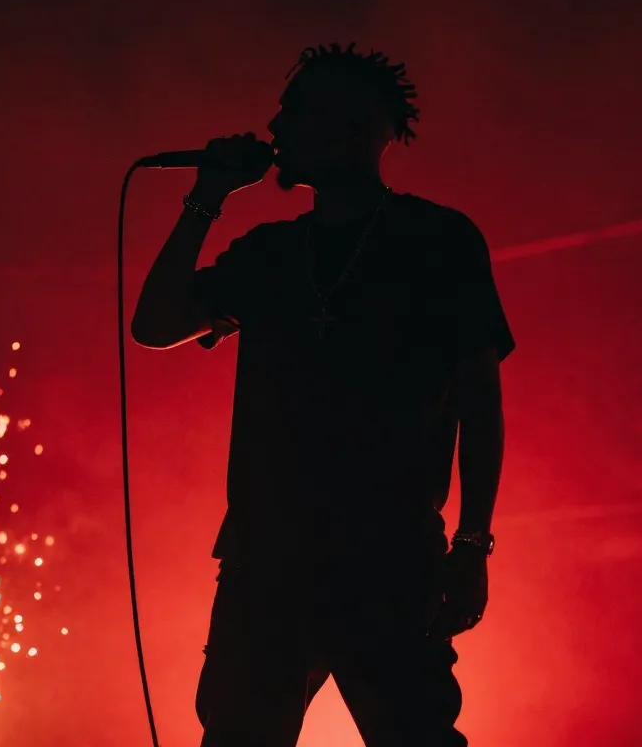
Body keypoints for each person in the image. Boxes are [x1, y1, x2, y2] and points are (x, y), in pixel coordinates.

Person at [132, 42, 514, 747]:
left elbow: (481, 404)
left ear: (355, 128)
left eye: (297, 110)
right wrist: (207, 197)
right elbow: (154, 325)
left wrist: (472, 544)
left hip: (388, 559)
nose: (276, 126)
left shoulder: (436, 240)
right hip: (266, 565)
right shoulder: (270, 254)